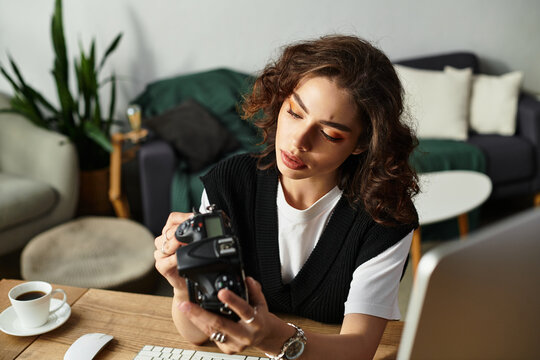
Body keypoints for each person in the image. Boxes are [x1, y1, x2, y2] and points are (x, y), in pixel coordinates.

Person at [154, 34, 419, 360]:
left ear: (362, 143)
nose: (298, 142)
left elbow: (360, 348)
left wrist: (276, 340)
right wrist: (183, 284)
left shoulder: (384, 216)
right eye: (294, 112)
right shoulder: (231, 183)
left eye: (329, 134)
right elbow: (197, 333)